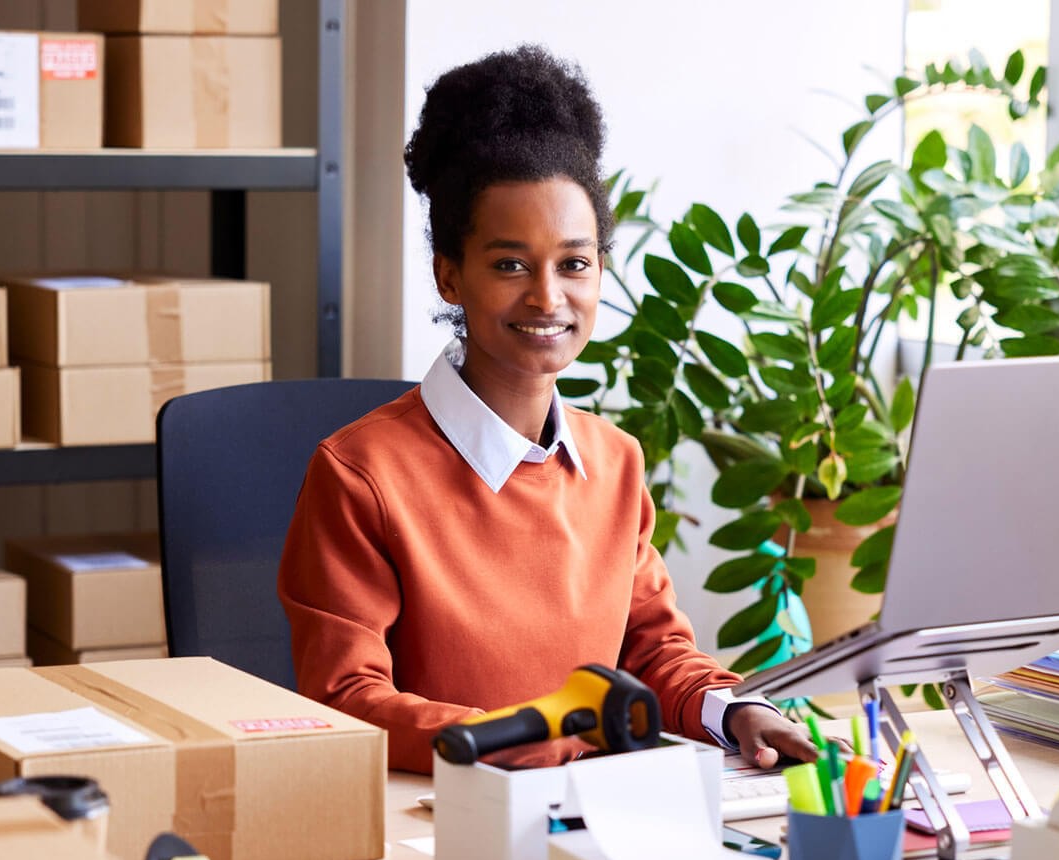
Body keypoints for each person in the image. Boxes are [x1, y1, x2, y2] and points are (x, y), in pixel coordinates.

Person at [277, 44, 821, 775]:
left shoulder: (616, 461)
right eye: (509, 264)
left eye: (574, 263)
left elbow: (654, 651)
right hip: (442, 821)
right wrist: (516, 738)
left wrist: (739, 709)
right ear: (449, 275)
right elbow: (344, 697)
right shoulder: (361, 474)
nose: (547, 297)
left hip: (595, 819)